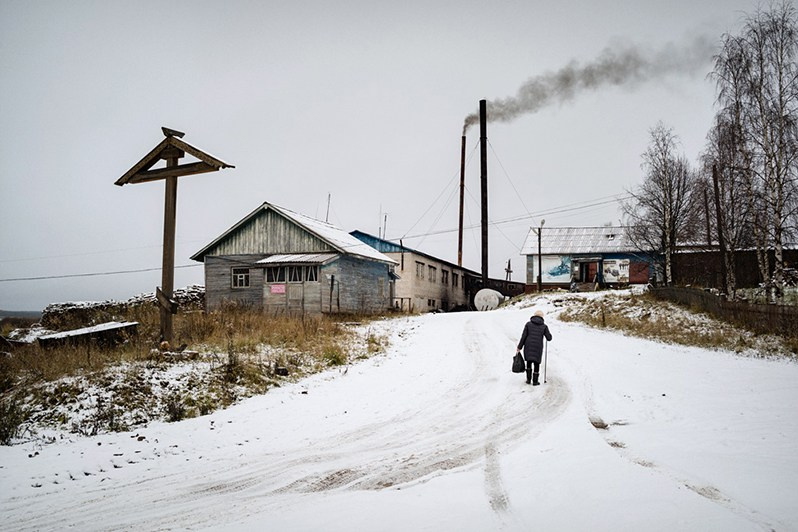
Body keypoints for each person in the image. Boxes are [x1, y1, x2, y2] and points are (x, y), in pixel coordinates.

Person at [516, 309, 552, 385]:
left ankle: (528, 380)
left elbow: (524, 336)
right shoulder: (544, 326)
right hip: (538, 347)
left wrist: (519, 347)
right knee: (536, 363)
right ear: (542, 317)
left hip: (528, 345)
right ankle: (535, 381)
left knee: (528, 362)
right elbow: (549, 338)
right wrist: (549, 335)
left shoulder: (528, 324)